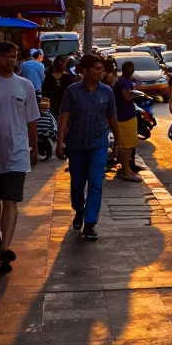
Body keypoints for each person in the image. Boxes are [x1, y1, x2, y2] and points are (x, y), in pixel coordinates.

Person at [0, 41, 39, 272]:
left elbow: (32, 120)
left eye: (13, 56)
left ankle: (6, 248)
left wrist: (34, 148)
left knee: (11, 199)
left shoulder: (25, 86)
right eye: (6, 56)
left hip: (17, 151)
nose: (10, 60)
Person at [57, 54, 120, 241]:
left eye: (102, 69)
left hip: (98, 144)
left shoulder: (107, 92)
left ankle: (90, 223)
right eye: (96, 69)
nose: (101, 72)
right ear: (84, 71)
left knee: (95, 183)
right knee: (77, 185)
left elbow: (112, 118)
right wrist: (60, 141)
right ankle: (79, 211)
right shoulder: (72, 91)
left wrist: (118, 142)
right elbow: (64, 116)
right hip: (76, 144)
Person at [113, 60, 142, 183]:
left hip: (126, 116)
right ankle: (126, 171)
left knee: (127, 145)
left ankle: (126, 169)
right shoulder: (123, 82)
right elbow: (126, 96)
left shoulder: (125, 81)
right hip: (125, 118)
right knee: (127, 146)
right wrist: (137, 95)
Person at [35, 96, 58, 161]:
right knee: (54, 136)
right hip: (47, 133)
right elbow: (54, 123)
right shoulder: (49, 114)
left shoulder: (36, 115)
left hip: (38, 133)